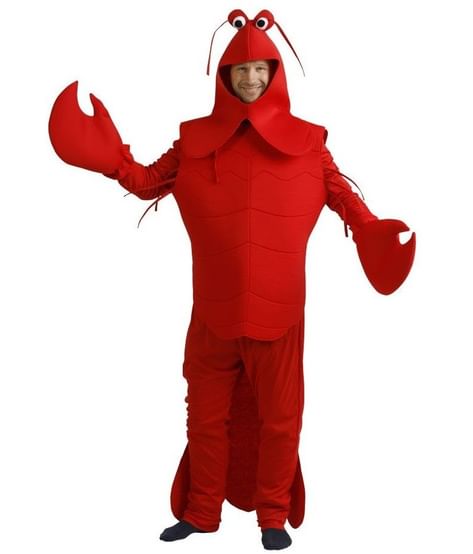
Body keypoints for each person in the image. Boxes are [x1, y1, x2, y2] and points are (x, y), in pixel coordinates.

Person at [48, 8, 415, 551]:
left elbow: (342, 197)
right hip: (213, 314)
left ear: (274, 74)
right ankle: (201, 513)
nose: (251, 78)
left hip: (280, 313)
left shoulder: (309, 143)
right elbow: (147, 181)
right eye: (241, 71)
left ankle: (273, 517)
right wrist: (108, 158)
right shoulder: (193, 142)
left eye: (260, 69)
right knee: (204, 418)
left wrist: (372, 230)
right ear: (225, 76)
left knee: (281, 419)